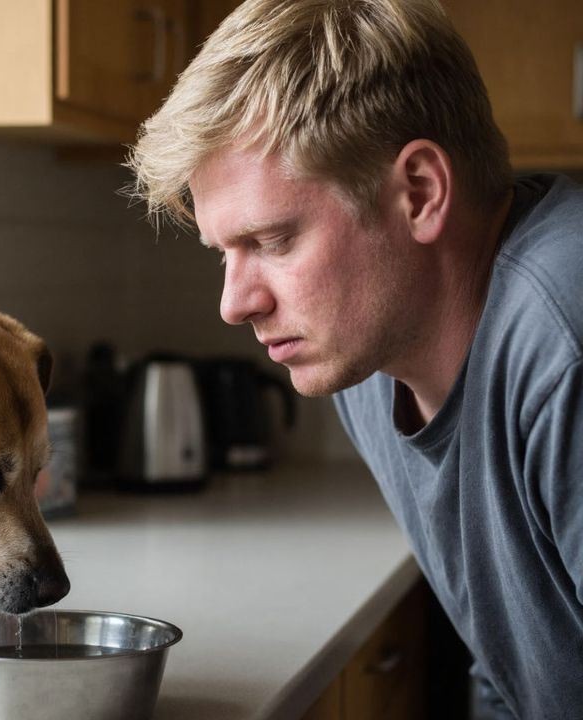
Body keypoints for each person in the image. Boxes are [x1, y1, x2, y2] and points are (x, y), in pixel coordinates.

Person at [127, 0, 583, 717]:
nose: (235, 303)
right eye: (224, 253)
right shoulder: (369, 360)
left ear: (420, 192)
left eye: (272, 241)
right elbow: (523, 665)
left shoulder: (565, 338)